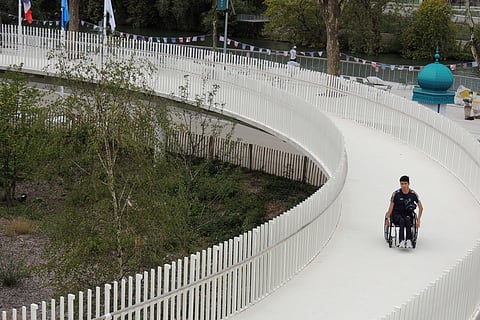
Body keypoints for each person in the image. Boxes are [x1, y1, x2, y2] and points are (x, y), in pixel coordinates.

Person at [385, 175, 423, 248]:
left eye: (405, 184)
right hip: (396, 214)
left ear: (409, 184)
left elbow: (421, 208)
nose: (403, 186)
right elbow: (390, 208)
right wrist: (387, 219)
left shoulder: (413, 194)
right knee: (402, 220)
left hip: (407, 214)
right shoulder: (396, 194)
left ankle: (409, 240)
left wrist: (418, 220)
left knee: (407, 219)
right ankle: (401, 241)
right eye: (402, 184)